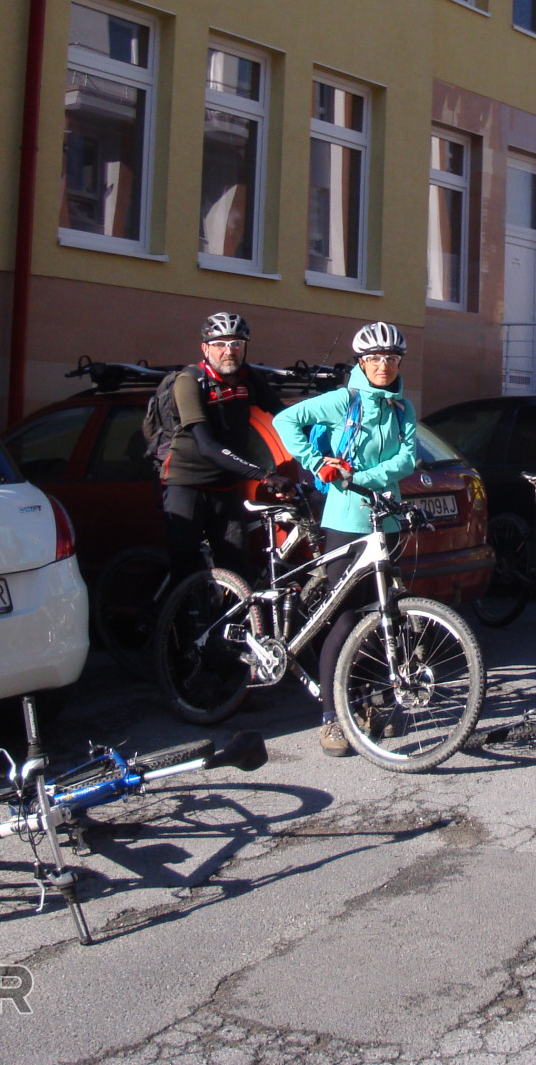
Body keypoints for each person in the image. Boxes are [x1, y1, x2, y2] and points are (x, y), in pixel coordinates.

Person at [273, 321, 419, 759]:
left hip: (385, 521)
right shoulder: (344, 400)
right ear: (361, 362)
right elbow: (285, 420)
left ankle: (368, 701)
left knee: (382, 614)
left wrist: (361, 478)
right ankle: (332, 716)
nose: (383, 366)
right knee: (345, 616)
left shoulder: (402, 407)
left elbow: (407, 459)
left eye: (390, 359)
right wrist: (318, 462)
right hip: (345, 521)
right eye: (374, 359)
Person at [158, 312, 288, 586]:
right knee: (185, 569)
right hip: (188, 484)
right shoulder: (189, 381)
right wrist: (264, 475)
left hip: (225, 486)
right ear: (205, 348)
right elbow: (206, 446)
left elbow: (283, 414)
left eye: (236, 344)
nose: (229, 351)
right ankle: (175, 612)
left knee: (238, 568)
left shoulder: (248, 377)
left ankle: (227, 613)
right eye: (220, 344)